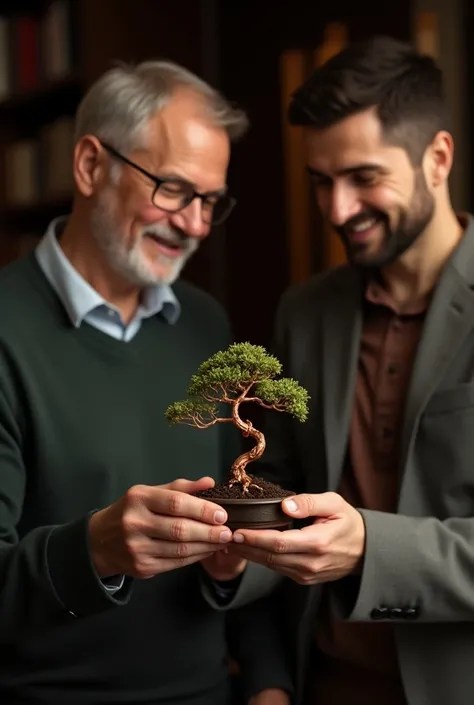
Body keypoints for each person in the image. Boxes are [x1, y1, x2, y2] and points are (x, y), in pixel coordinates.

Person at [0, 60, 291, 705]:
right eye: (174, 189)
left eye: (210, 201)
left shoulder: (207, 325)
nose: (194, 224)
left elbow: (241, 547)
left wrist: (270, 683)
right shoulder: (6, 331)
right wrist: (95, 550)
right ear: (89, 166)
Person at [226, 36, 474, 705]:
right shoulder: (303, 314)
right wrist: (266, 671)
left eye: (364, 177)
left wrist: (371, 547)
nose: (337, 210)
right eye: (321, 181)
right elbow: (283, 502)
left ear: (438, 159)